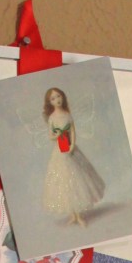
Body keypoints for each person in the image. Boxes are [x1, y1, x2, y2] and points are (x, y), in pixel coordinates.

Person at [42, 87, 105, 227]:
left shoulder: (67, 114)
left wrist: (71, 146)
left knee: (77, 179)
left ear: (62, 97)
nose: (57, 100)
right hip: (59, 151)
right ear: (49, 102)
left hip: (71, 149)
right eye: (53, 99)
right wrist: (57, 135)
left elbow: (72, 131)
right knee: (65, 181)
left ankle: (79, 216)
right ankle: (73, 215)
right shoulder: (52, 118)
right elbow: (50, 135)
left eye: (58, 96)